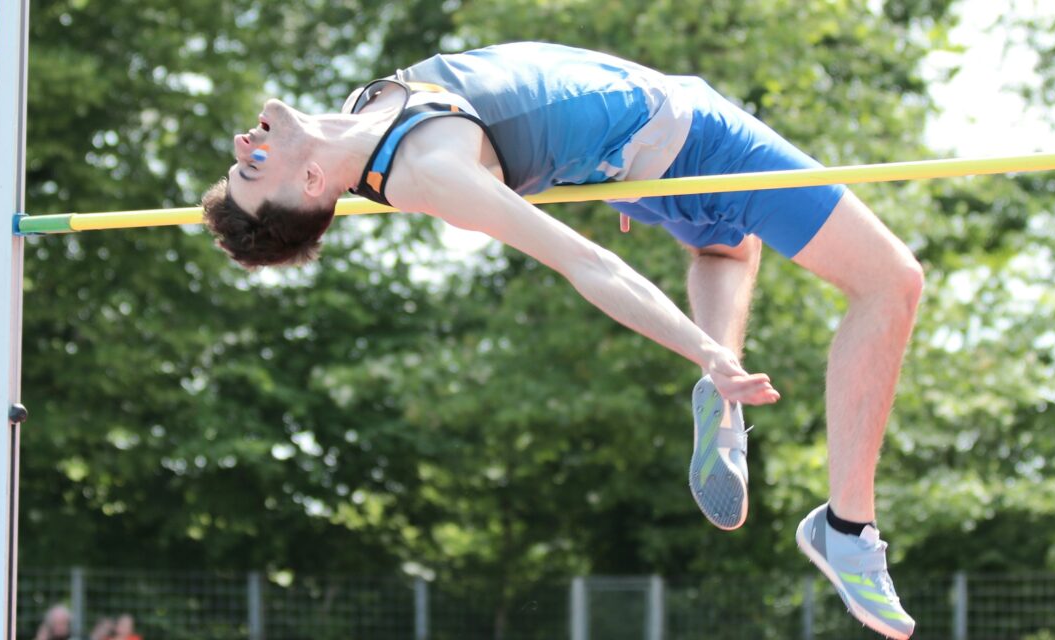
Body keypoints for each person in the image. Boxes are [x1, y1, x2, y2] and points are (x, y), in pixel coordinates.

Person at [201, 42, 923, 639]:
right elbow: (588, 264)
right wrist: (702, 348)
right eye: (253, 168)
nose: (245, 143)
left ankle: (720, 407)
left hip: (643, 154)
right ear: (313, 180)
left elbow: (512, 114)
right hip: (694, 136)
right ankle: (847, 527)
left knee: (727, 248)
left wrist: (593, 165)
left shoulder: (364, 115)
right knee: (892, 283)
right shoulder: (426, 171)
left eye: (240, 159)